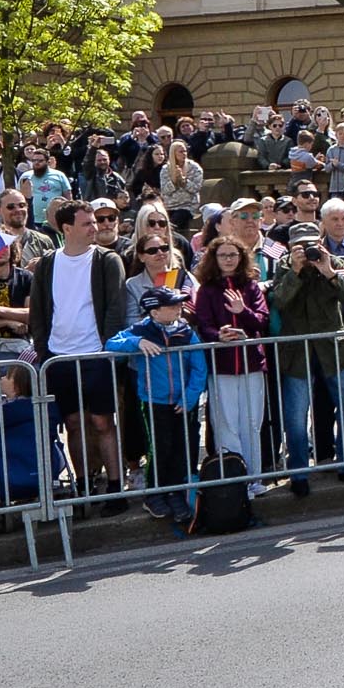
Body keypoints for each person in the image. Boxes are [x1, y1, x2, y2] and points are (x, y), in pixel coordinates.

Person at [29, 199, 133, 513]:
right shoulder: (48, 263)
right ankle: (84, 483)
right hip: (60, 357)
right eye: (87, 223)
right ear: (66, 228)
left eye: (95, 222)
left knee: (102, 421)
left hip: (96, 355)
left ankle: (116, 487)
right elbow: (38, 312)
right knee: (73, 422)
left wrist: (109, 351)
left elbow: (115, 309)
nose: (95, 227)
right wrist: (45, 351)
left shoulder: (107, 260)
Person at [267, 222, 344, 495]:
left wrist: (330, 272)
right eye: (301, 245)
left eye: (311, 244)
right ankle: (299, 473)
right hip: (297, 353)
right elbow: (279, 302)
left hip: (332, 350)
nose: (307, 250)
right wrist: (296, 271)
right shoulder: (284, 267)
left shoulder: (331, 262)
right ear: (291, 246)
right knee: (296, 415)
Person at [106, 286, 207, 526]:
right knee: (159, 448)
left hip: (183, 403)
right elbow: (111, 344)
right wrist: (137, 342)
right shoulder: (141, 330)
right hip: (153, 401)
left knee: (182, 448)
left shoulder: (186, 332)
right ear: (154, 310)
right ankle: (154, 494)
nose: (178, 308)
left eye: (178, 304)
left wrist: (190, 398)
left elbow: (199, 367)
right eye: (171, 305)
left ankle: (176, 492)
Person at [192, 233, 271, 498]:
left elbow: (261, 320)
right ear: (214, 258)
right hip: (222, 366)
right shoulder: (207, 289)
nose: (228, 259)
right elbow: (203, 324)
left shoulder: (250, 287)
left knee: (252, 422)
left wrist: (242, 311)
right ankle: (234, 479)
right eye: (223, 255)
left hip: (251, 364)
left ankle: (255, 478)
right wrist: (219, 335)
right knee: (226, 423)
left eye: (233, 255)